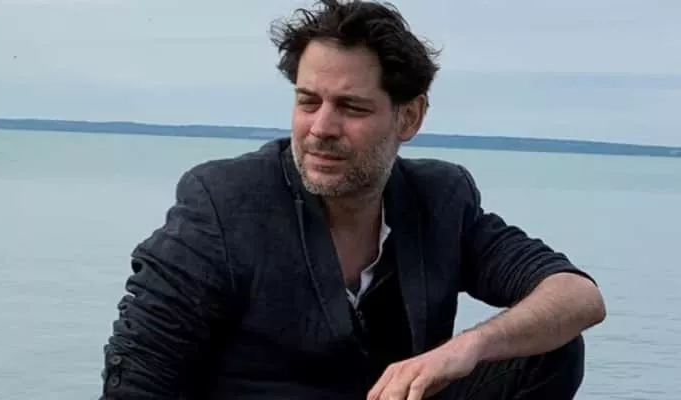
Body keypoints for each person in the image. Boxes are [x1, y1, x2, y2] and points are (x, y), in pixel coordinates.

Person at [99, 0, 606, 399]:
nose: (321, 128)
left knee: (551, 347)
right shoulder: (222, 204)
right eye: (308, 102)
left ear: (409, 118)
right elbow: (139, 372)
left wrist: (468, 347)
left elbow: (577, 295)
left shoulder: (440, 199)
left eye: (351, 107)